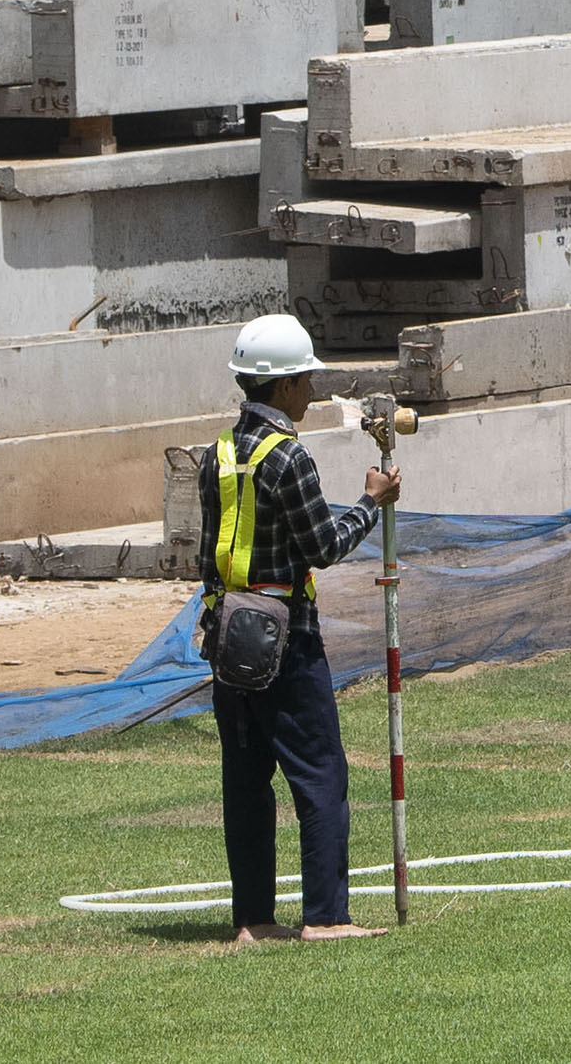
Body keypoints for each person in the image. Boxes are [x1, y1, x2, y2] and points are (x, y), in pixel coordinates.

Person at [201, 312, 397, 943]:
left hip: (231, 639)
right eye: (305, 382)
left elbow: (208, 554)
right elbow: (321, 546)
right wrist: (371, 502)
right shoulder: (289, 457)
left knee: (246, 783)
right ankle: (326, 917)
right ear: (283, 388)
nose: (311, 393)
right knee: (320, 775)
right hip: (290, 642)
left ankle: (253, 921)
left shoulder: (217, 455)